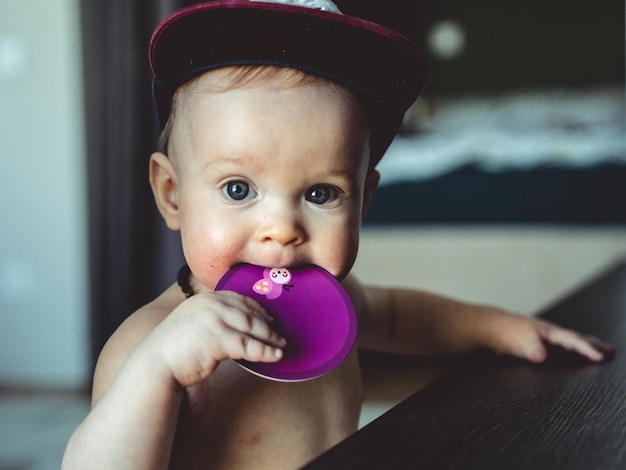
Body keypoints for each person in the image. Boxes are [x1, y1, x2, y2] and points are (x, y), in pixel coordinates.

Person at [63, 1, 613, 468]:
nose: (281, 229)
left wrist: (501, 328)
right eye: (238, 189)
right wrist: (157, 374)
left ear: (364, 199)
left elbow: (403, 317)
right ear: (172, 194)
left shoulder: (334, 306)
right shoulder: (148, 347)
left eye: (320, 194)